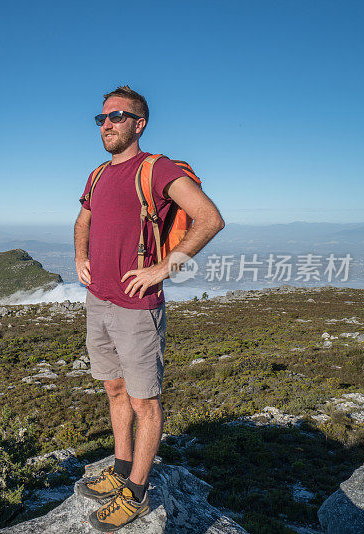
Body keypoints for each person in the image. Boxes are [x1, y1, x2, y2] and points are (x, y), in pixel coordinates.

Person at [73, 85, 225, 531]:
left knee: (145, 402)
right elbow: (84, 219)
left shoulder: (157, 169)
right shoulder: (98, 174)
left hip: (137, 308)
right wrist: (80, 257)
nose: (107, 124)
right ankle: (120, 469)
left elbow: (210, 218)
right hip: (98, 299)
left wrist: (162, 270)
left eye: (118, 116)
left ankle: (136, 493)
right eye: (102, 117)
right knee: (115, 390)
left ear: (139, 124)